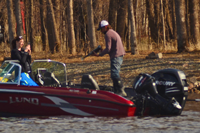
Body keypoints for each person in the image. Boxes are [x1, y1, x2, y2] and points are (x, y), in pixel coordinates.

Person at [93, 20, 126, 96]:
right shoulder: (112, 32)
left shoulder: (108, 34)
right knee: (114, 74)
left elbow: (108, 49)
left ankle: (121, 90)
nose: (101, 31)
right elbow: (110, 48)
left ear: (105, 27)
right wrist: (102, 51)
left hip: (116, 55)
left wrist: (99, 55)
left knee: (114, 74)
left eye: (101, 29)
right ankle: (116, 91)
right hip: (119, 54)